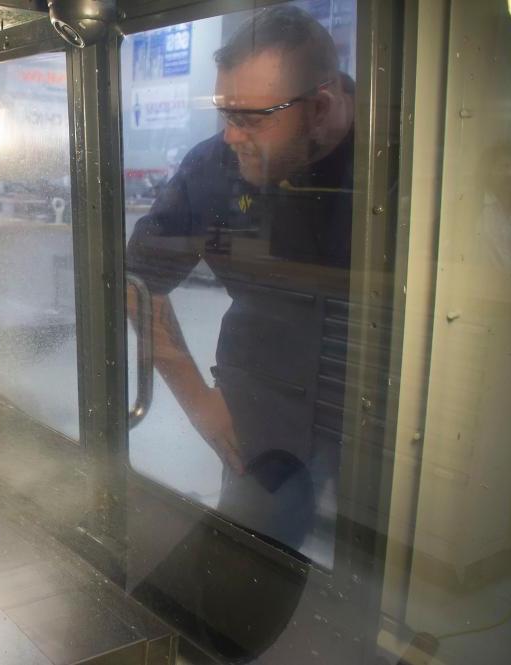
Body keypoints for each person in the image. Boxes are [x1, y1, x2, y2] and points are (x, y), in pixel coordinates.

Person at [127, 5, 356, 554]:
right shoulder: (214, 169)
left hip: (373, 401)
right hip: (262, 400)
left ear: (320, 108)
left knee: (375, 566)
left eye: (250, 119)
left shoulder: (403, 159)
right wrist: (197, 399)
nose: (231, 136)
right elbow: (137, 279)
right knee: (251, 554)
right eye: (224, 113)